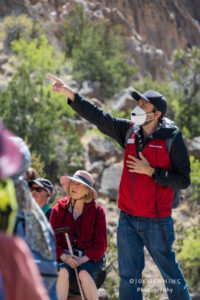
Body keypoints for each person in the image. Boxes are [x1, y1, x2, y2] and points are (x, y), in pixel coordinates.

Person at [48, 74, 191, 300]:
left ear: (157, 114)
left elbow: (183, 179)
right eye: (138, 103)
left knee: (170, 275)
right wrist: (72, 95)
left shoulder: (173, 139)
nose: (138, 107)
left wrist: (152, 172)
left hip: (157, 220)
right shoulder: (130, 131)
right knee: (128, 276)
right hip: (127, 219)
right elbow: (100, 117)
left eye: (144, 105)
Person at [50, 170, 107, 300]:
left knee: (84, 273)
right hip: (63, 257)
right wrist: (65, 258)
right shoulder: (58, 210)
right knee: (63, 271)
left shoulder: (98, 212)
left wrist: (81, 260)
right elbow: (51, 240)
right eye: (73, 183)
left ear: (87, 191)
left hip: (89, 259)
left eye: (79, 184)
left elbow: (101, 245)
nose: (73, 187)